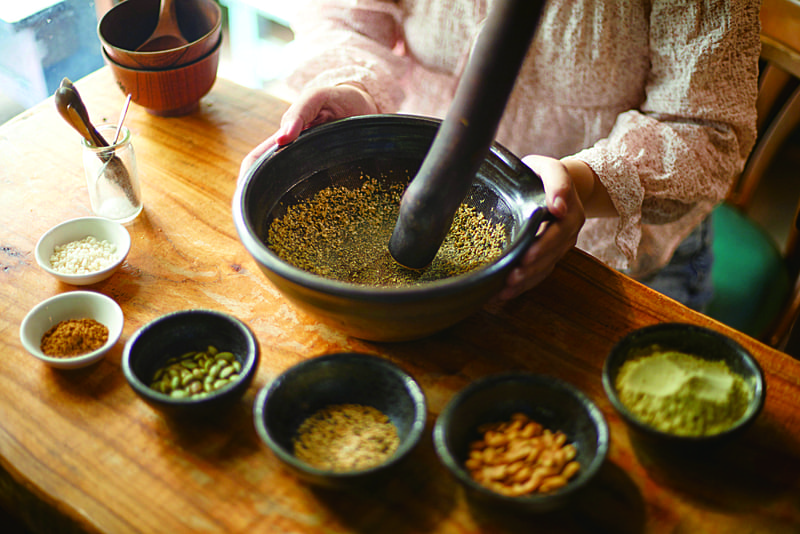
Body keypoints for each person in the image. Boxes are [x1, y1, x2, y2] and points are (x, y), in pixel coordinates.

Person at [240, 0, 759, 311]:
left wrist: (581, 183)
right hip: (415, 186)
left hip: (613, 246)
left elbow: (706, 129)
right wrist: (354, 88)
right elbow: (346, 19)